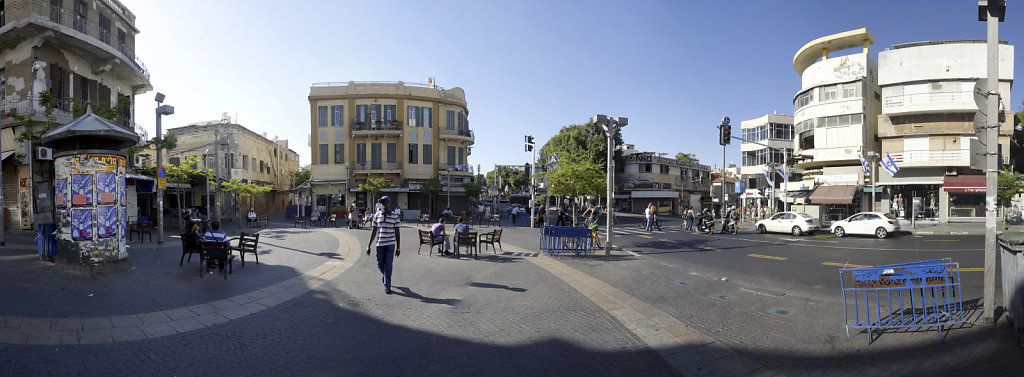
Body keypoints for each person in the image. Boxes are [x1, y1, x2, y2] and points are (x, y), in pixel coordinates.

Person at [366, 195, 402, 294]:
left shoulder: (395, 216)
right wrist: (368, 245)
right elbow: (373, 231)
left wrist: (398, 247)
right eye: (382, 203)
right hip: (380, 244)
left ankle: (387, 285)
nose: (384, 204)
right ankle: (385, 275)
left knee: (389, 265)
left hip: (390, 244)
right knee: (380, 264)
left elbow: (397, 233)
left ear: (389, 203)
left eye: (386, 202)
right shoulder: (377, 215)